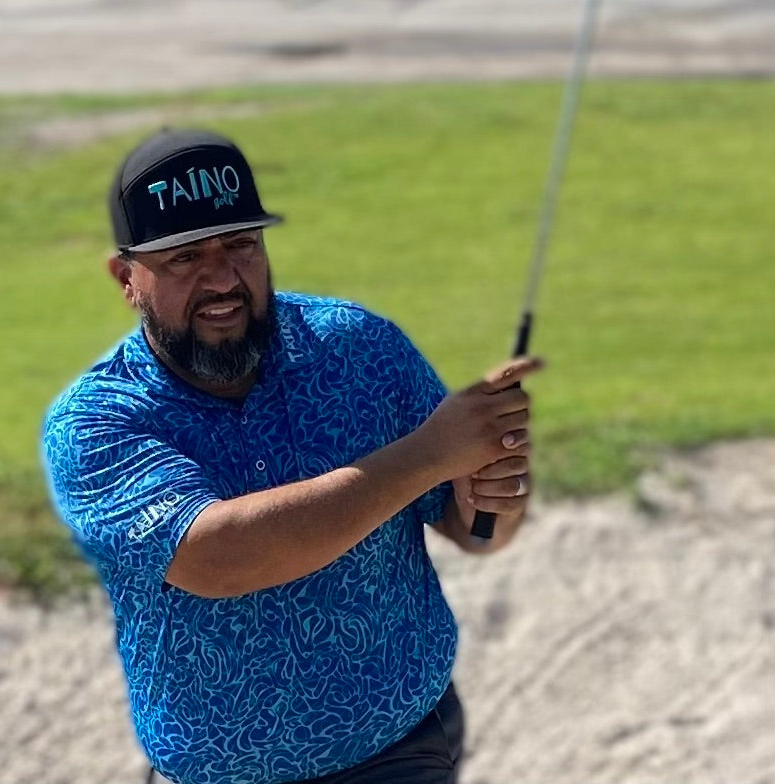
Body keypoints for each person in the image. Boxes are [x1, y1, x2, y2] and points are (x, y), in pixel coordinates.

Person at [40, 128, 543, 784]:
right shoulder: (93, 423)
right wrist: (429, 454)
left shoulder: (362, 348)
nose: (222, 278)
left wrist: (493, 493)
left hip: (402, 748)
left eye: (242, 245)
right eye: (186, 256)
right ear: (126, 278)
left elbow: (470, 527)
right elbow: (218, 558)